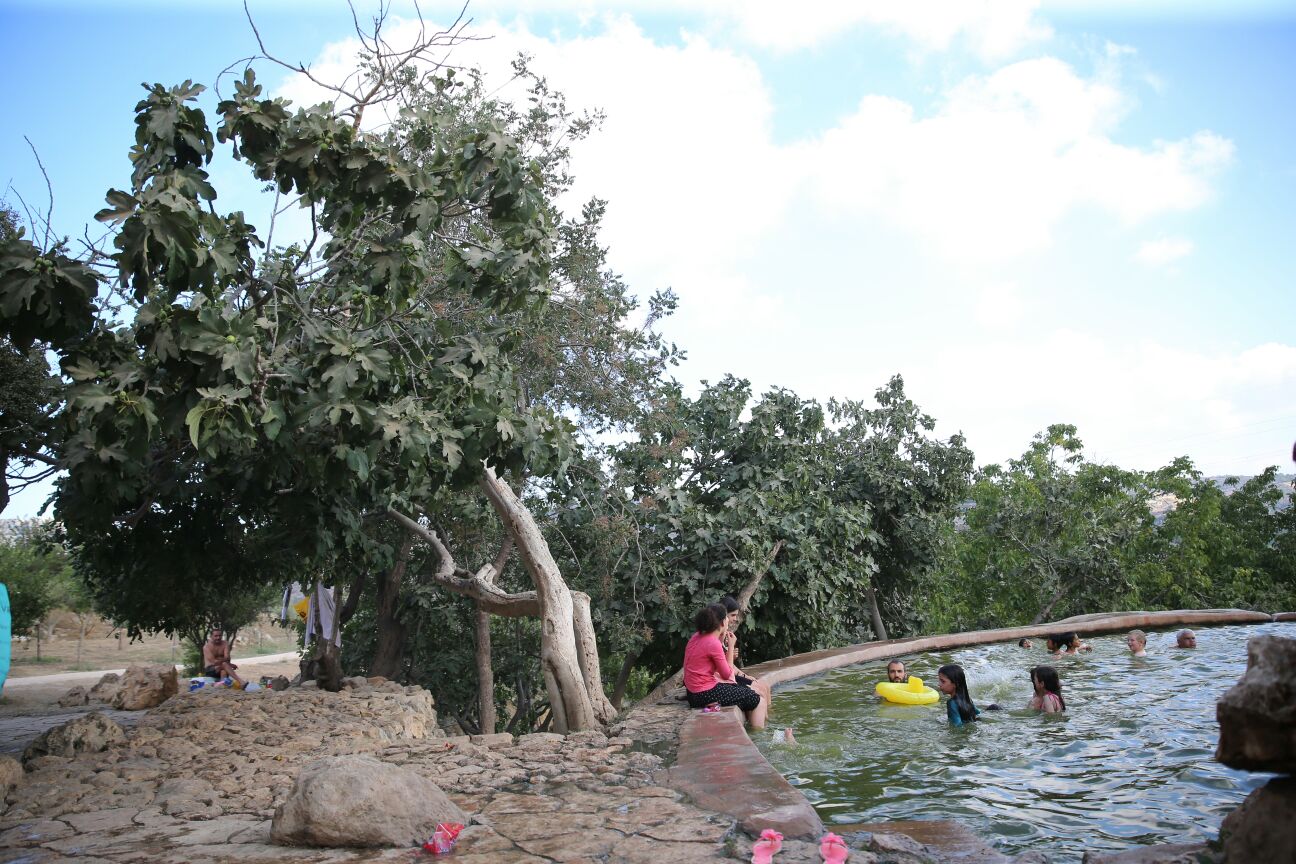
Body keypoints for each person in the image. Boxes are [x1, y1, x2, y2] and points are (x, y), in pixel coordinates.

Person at [683, 603, 765, 727]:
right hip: (705, 694)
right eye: (726, 618)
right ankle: (758, 736)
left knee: (745, 692)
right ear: (722, 623)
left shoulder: (696, 637)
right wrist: (731, 646)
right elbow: (727, 675)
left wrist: (721, 637)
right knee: (758, 700)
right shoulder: (712, 643)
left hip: (692, 694)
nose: (728, 620)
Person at [718, 596, 773, 710]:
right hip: (722, 680)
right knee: (759, 691)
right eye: (732, 615)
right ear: (723, 617)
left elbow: (728, 665)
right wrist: (731, 652)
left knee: (764, 686)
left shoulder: (725, 635)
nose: (735, 619)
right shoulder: (717, 637)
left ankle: (769, 717)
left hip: (728, 675)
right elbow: (725, 670)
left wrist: (745, 675)